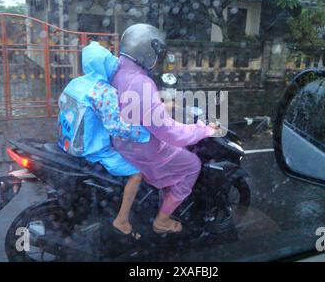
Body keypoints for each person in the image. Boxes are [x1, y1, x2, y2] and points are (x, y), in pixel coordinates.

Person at [112, 24, 219, 234]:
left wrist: (164, 106)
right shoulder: (141, 82)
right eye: (156, 53)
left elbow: (132, 107)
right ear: (147, 51)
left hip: (122, 142)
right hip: (141, 149)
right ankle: (162, 220)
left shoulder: (118, 72)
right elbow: (171, 132)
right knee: (192, 164)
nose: (157, 59)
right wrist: (203, 130)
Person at [57, 40, 150, 239]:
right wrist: (144, 133)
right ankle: (122, 220)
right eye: (109, 62)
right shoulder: (103, 91)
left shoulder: (77, 83)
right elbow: (116, 127)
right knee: (137, 173)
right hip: (93, 151)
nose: (114, 65)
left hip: (66, 144)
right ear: (103, 64)